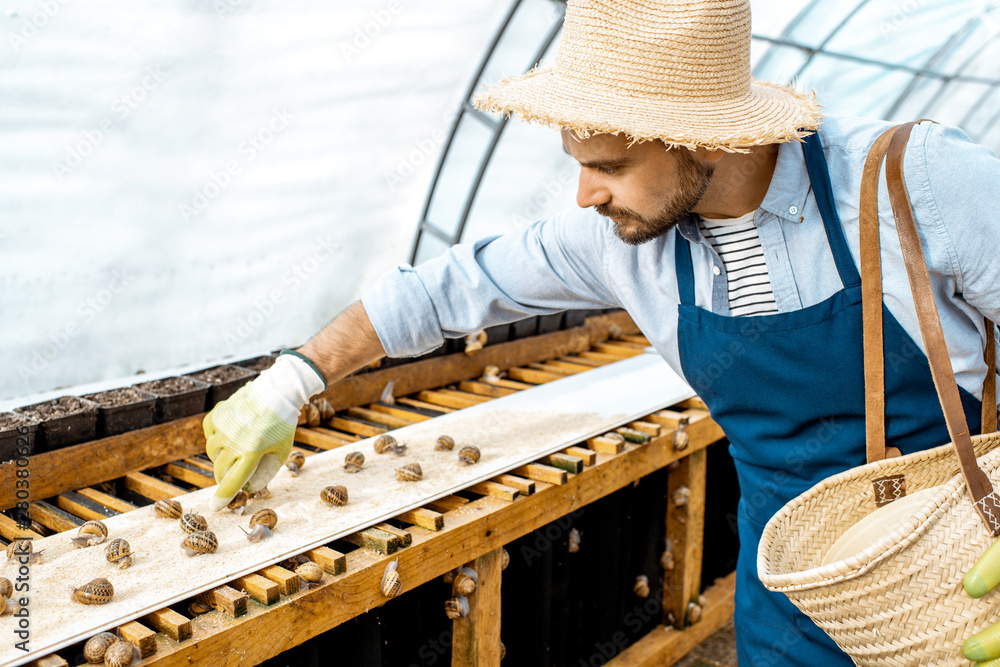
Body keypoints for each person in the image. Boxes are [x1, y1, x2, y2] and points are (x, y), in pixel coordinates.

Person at [202, 0, 1000, 664]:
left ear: (712, 137)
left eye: (610, 164)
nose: (584, 193)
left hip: (957, 574)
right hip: (789, 604)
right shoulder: (622, 243)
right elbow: (449, 288)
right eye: (574, 160)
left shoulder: (912, 179)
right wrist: (294, 378)